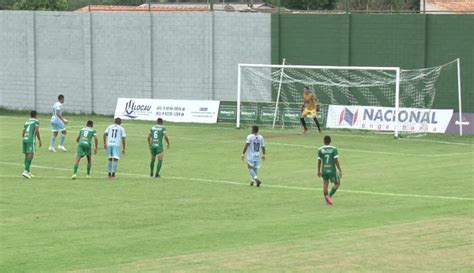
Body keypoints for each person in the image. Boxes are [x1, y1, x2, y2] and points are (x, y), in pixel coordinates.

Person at [317, 135, 342, 205]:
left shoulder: (320, 149)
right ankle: (329, 196)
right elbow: (336, 161)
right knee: (337, 183)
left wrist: (318, 171)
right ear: (330, 141)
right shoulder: (334, 149)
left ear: (324, 141)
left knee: (325, 184)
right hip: (332, 170)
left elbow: (319, 161)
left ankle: (327, 200)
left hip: (324, 170)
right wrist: (340, 170)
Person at [22, 110, 42, 179]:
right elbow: (37, 131)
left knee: (26, 155)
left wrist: (25, 138)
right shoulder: (36, 121)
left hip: (25, 139)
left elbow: (23, 132)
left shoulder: (26, 122)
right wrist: (39, 140)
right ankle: (25, 171)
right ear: (36, 115)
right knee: (31, 155)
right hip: (31, 140)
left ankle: (28, 171)